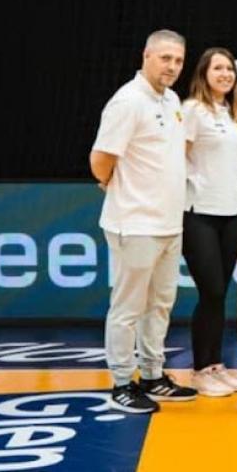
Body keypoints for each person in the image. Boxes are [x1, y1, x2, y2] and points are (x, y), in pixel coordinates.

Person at [90, 29, 197, 413]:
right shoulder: (127, 101)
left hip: (169, 223)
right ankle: (122, 381)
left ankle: (152, 375)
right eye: (165, 58)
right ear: (146, 55)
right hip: (134, 223)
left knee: (161, 304)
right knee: (128, 307)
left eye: (179, 60)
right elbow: (100, 159)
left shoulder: (171, 100)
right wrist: (112, 187)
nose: (172, 66)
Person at [181, 48, 237, 397]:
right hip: (198, 213)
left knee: (220, 293)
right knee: (210, 290)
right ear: (204, 73)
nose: (225, 74)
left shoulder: (231, 112)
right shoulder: (192, 110)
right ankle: (199, 370)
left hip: (231, 213)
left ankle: (215, 365)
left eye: (230, 69)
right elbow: (175, 158)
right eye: (218, 68)